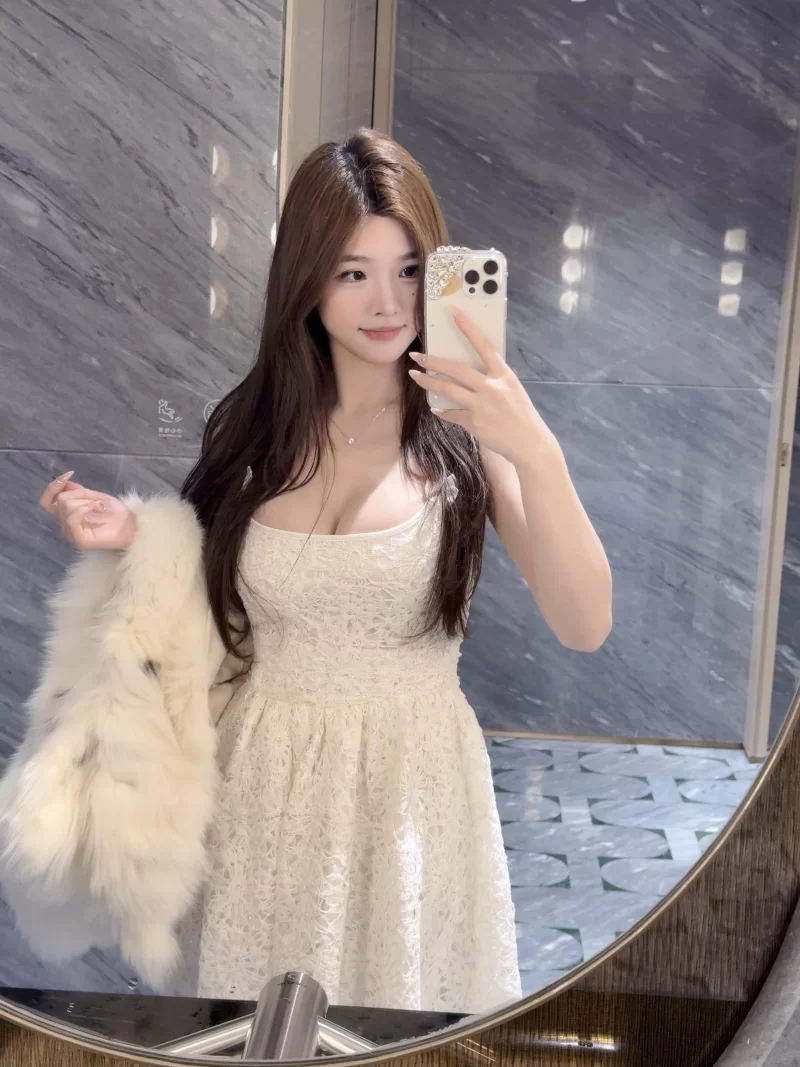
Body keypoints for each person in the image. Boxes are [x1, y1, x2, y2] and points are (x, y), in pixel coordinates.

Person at [30, 128, 612, 1012]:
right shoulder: (253, 433)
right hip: (260, 785)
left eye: (409, 270)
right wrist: (136, 533)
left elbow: (585, 622)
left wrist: (536, 449)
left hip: (408, 788)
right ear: (307, 280)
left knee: (391, 1018)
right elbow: (213, 612)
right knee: (250, 1023)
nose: (388, 302)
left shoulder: (466, 440)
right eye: (353, 272)